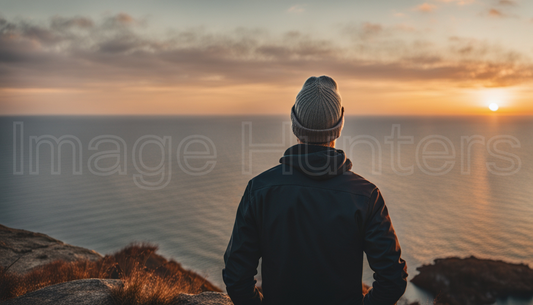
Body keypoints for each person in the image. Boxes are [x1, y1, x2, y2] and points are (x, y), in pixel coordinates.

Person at [223, 75, 408, 305]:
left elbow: (236, 275)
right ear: (339, 126)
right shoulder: (366, 196)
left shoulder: (260, 190)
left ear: (294, 123)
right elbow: (393, 279)